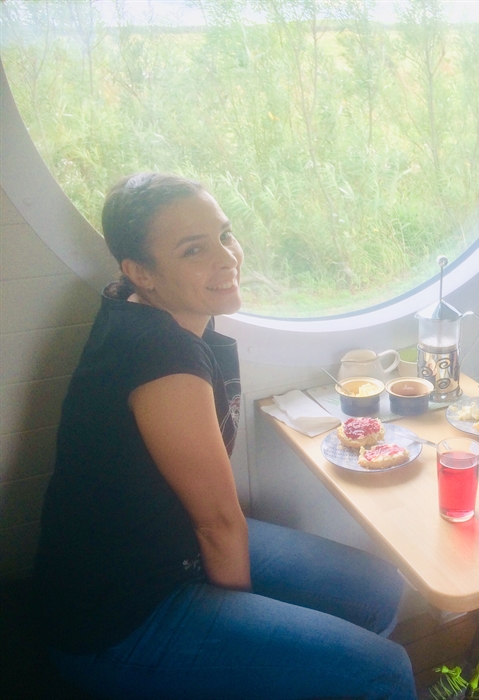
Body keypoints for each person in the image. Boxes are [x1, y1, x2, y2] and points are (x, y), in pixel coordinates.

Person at [32, 173, 417, 700]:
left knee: (378, 589)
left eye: (225, 234)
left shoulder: (152, 309)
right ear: (140, 271)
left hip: (173, 547)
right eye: (194, 249)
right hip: (116, 618)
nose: (227, 257)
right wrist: (246, 624)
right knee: (384, 672)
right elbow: (217, 524)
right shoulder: (162, 359)